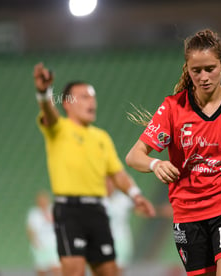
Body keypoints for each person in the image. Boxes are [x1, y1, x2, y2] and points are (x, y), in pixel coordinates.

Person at [126, 29, 221, 276]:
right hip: (188, 214)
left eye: (210, 68)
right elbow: (134, 156)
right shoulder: (172, 108)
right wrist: (155, 164)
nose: (203, 77)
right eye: (196, 70)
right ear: (187, 69)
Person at [33, 63, 156, 276]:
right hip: (69, 211)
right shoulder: (59, 128)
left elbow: (117, 173)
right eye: (84, 97)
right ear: (68, 104)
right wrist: (44, 93)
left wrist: (136, 195)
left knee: (110, 272)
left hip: (98, 211)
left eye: (93, 97)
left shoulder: (101, 137)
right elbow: (49, 113)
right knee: (74, 272)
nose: (92, 101)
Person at [104, 176, 135, 275]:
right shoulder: (98, 199)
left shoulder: (124, 199)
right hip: (102, 240)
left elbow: (142, 209)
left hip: (121, 240)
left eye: (110, 182)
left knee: (117, 271)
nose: (108, 185)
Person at [26, 191, 61, 276]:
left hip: (54, 244)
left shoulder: (53, 209)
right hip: (40, 246)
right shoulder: (34, 213)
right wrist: (34, 242)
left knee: (56, 268)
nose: (42, 202)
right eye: (40, 200)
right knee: (42, 270)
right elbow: (30, 229)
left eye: (44, 199)